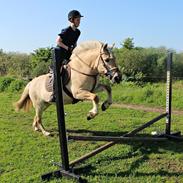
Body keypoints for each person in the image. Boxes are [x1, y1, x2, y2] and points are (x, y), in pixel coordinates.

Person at [49, 10, 83, 102]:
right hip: (60, 53)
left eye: (79, 19)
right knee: (58, 71)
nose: (79, 21)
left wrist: (76, 51)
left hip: (69, 54)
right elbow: (58, 42)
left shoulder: (78, 32)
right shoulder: (66, 30)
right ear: (71, 20)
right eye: (77, 19)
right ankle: (54, 94)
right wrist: (68, 48)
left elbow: (75, 43)